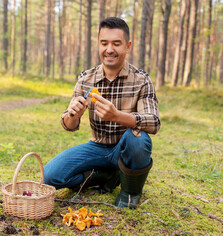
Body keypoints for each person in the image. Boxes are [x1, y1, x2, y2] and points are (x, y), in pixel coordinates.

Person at [44, 17, 161, 209]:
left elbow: (154, 122)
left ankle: (129, 193)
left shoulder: (142, 80)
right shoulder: (86, 78)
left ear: (127, 46)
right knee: (50, 176)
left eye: (116, 43)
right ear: (98, 44)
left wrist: (117, 116)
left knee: (139, 140)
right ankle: (103, 176)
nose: (109, 49)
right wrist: (73, 114)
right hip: (96, 147)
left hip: (126, 148)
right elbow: (68, 125)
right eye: (104, 43)